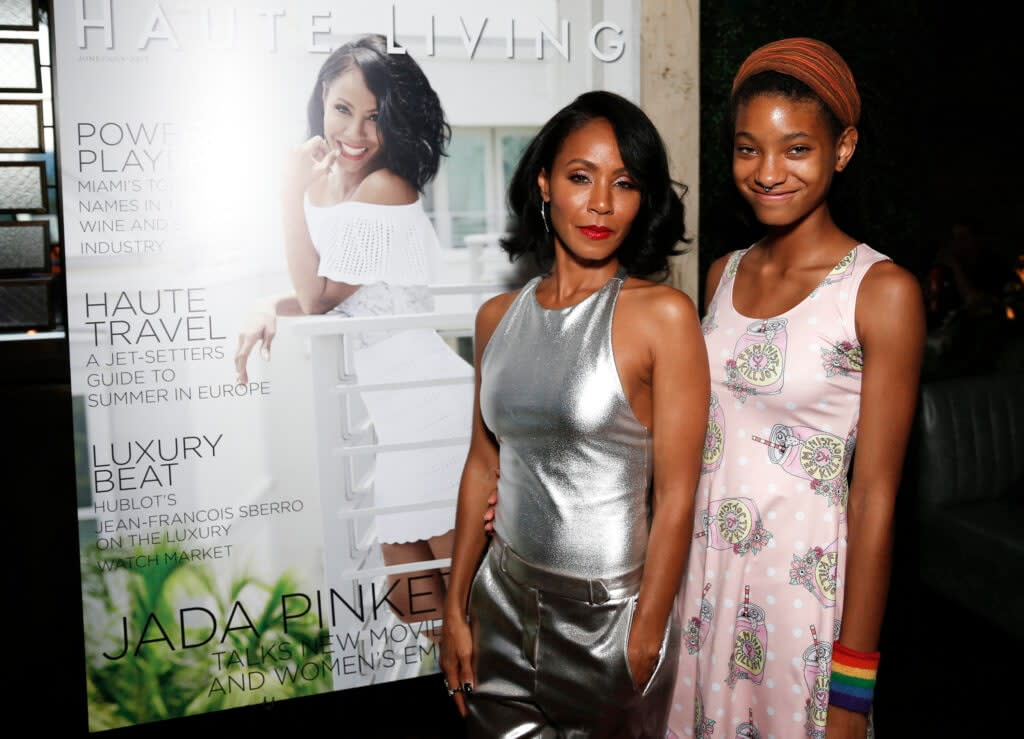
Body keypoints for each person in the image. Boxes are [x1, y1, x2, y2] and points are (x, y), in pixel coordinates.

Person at [664, 38, 925, 739]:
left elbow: (875, 500)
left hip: (799, 604)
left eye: (797, 150)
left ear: (842, 150)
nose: (768, 172)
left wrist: (853, 689)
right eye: (749, 149)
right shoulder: (720, 274)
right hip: (699, 586)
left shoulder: (880, 291)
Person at [439, 90, 710, 738]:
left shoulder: (662, 317)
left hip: (609, 625)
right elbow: (483, 465)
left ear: (643, 199)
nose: (600, 204)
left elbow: (677, 495)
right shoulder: (496, 319)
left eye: (624, 183)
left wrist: (645, 634)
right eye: (580, 177)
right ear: (544, 183)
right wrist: (454, 606)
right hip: (499, 605)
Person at [234, 33, 472, 628]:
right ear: (322, 100)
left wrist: (286, 192)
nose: (358, 133)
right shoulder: (330, 184)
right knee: (414, 602)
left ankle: (514, 711)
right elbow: (327, 290)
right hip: (395, 421)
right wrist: (267, 300)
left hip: (431, 410)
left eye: (377, 117)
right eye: (344, 110)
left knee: (470, 605)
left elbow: (317, 297)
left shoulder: (386, 187)